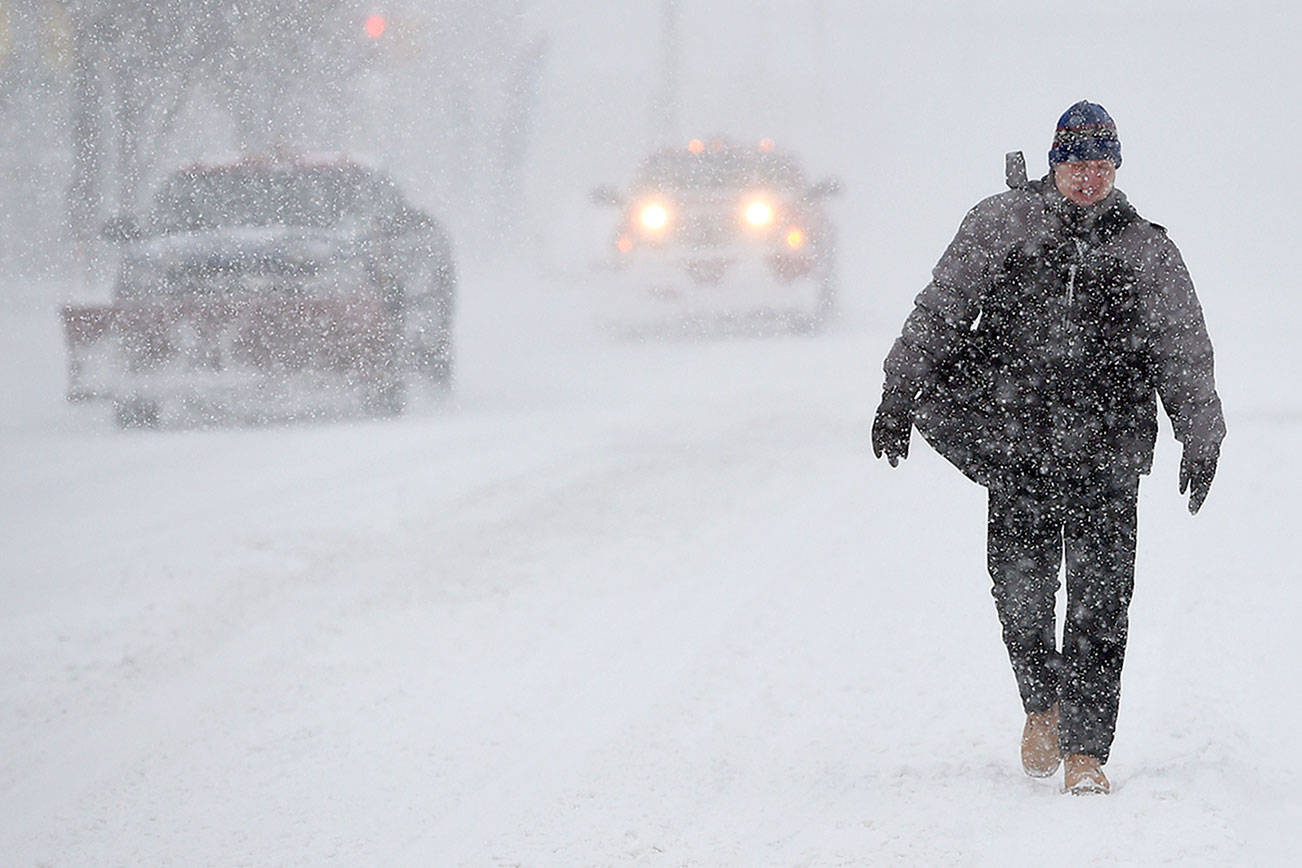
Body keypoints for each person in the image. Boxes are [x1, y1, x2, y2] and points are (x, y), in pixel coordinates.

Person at [871, 101, 1225, 795]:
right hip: (1017, 442)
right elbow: (940, 309)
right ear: (1053, 163)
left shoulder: (1143, 248)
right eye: (1073, 163)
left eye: (1100, 165)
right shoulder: (1000, 225)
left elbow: (1182, 347)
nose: (1087, 178)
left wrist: (1201, 433)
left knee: (1100, 601)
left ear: (1116, 167)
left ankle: (1087, 753)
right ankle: (1043, 705)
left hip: (1109, 449)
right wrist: (898, 391)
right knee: (1023, 593)